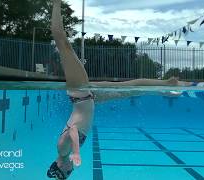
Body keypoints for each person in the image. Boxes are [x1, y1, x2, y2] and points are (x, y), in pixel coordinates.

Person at [47, 0, 192, 179]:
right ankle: (165, 85)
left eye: (68, 171)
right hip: (89, 98)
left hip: (80, 93)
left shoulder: (62, 150)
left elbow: (73, 131)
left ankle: (55, 4)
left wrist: (76, 152)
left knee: (62, 43)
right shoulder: (63, 152)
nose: (71, 169)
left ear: (60, 166)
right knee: (132, 87)